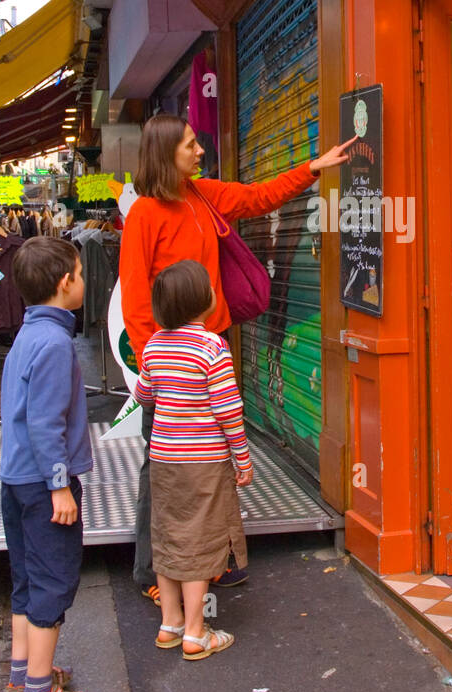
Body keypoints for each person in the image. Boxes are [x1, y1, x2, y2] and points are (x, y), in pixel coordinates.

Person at [120, 113, 354, 607]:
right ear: (166, 154)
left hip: (213, 343)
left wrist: (313, 166)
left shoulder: (202, 193)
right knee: (163, 469)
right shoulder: (144, 214)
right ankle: (151, 567)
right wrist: (151, 366)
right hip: (170, 361)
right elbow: (137, 300)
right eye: (189, 146)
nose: (200, 150)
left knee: (214, 458)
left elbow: (257, 197)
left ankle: (213, 562)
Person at [0, 237, 102, 692]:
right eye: (81, 274)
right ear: (66, 284)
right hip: (43, 486)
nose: (84, 281)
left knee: (25, 579)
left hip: (15, 479)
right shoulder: (57, 343)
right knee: (52, 583)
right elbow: (46, 422)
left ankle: (22, 679)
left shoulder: (26, 335)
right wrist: (60, 485)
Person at [134, 259, 252, 660]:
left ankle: (170, 624)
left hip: (164, 459)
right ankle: (197, 633)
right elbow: (229, 411)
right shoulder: (212, 347)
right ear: (204, 300)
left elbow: (142, 397)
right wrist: (243, 458)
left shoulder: (154, 345)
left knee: (167, 536)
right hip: (204, 462)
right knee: (200, 542)